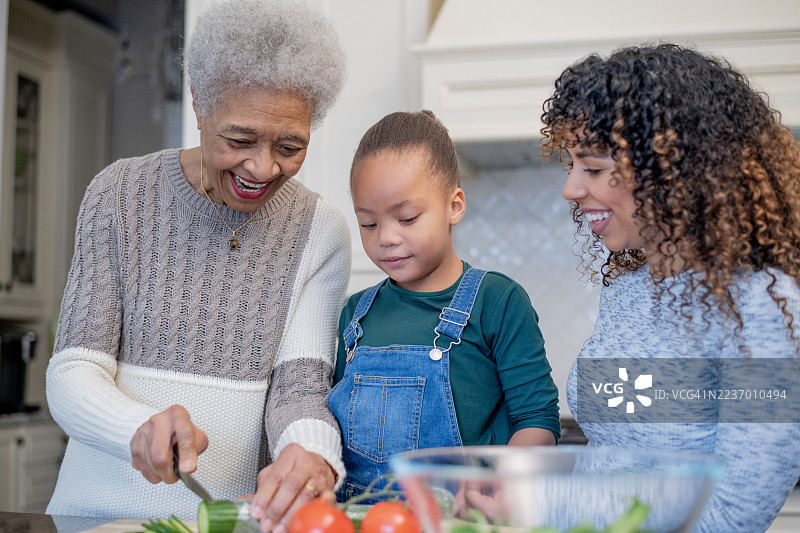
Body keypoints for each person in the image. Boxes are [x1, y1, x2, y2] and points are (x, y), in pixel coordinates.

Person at [45, 1, 349, 530]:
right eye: (240, 140)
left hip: (228, 521)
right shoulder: (119, 194)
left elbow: (299, 389)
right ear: (199, 103)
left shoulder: (320, 231)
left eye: (290, 146)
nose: (262, 167)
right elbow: (72, 372)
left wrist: (312, 454)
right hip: (91, 515)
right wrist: (137, 425)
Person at [541, 43, 800, 532]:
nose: (570, 189)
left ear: (671, 169)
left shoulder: (762, 306)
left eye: (593, 168)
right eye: (571, 165)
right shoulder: (628, 289)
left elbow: (735, 514)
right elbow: (614, 467)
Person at [327, 110, 561, 502]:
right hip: (364, 520)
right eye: (368, 223)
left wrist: (497, 489)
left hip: (462, 518)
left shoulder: (497, 301)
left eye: (406, 218)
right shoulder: (356, 313)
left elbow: (536, 419)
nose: (386, 238)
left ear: (454, 206)